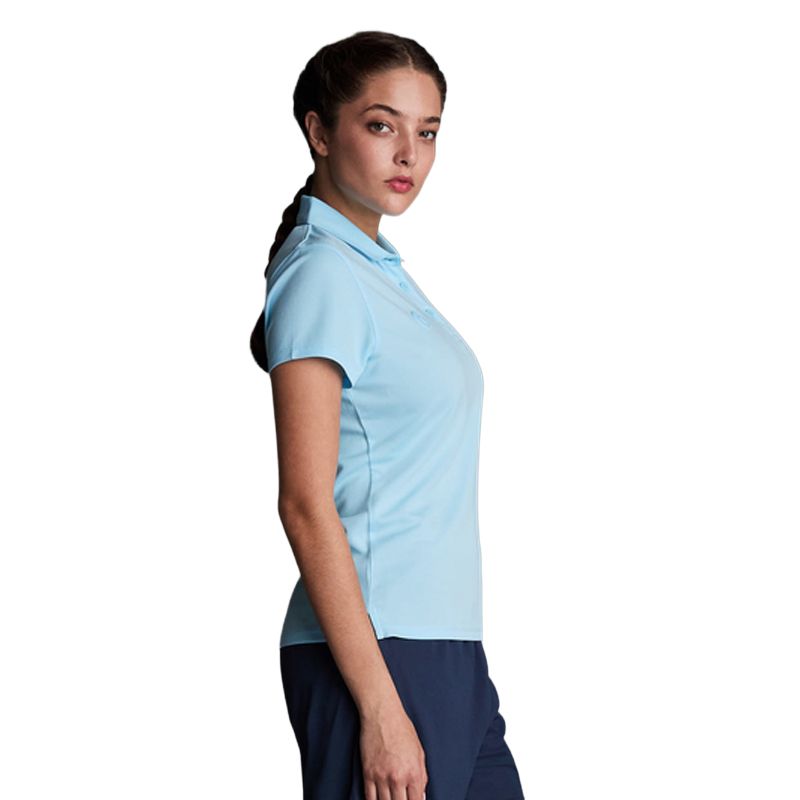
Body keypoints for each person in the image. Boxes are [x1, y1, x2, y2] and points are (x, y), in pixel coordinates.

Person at [250, 30, 525, 800]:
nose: (409, 153)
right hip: (379, 653)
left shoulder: (377, 271)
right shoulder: (321, 273)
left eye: (427, 132)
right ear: (318, 131)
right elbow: (304, 504)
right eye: (381, 125)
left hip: (446, 647)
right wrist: (379, 707)